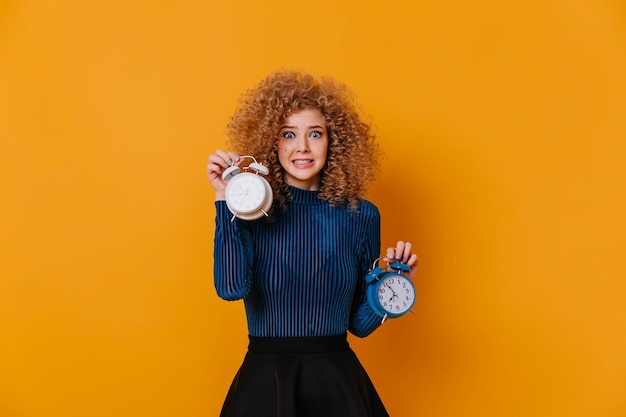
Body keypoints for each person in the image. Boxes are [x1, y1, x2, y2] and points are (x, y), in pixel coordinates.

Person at [206, 71, 418, 417]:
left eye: (315, 134)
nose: (302, 147)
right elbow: (231, 288)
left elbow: (359, 326)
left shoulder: (361, 215)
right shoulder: (248, 208)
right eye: (288, 134)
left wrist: (393, 288)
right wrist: (223, 198)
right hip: (265, 386)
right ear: (271, 143)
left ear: (333, 142)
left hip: (338, 385)